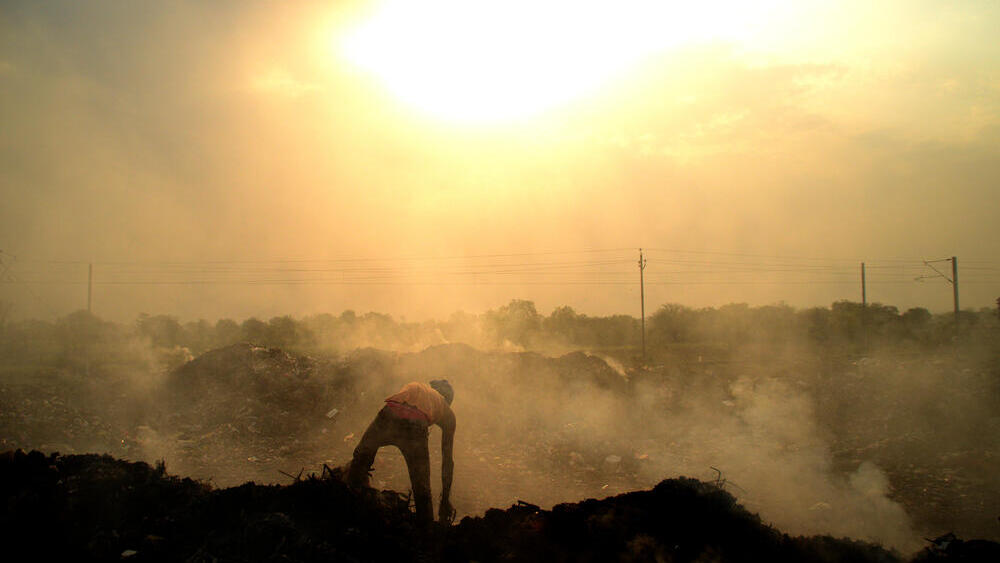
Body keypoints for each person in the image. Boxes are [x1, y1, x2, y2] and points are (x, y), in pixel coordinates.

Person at [347, 379, 456, 524]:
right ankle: (426, 529)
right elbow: (447, 462)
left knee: (360, 458)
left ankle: (348, 502)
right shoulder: (446, 410)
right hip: (415, 426)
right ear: (447, 399)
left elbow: (401, 406)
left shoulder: (418, 386)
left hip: (388, 413)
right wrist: (445, 500)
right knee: (421, 488)